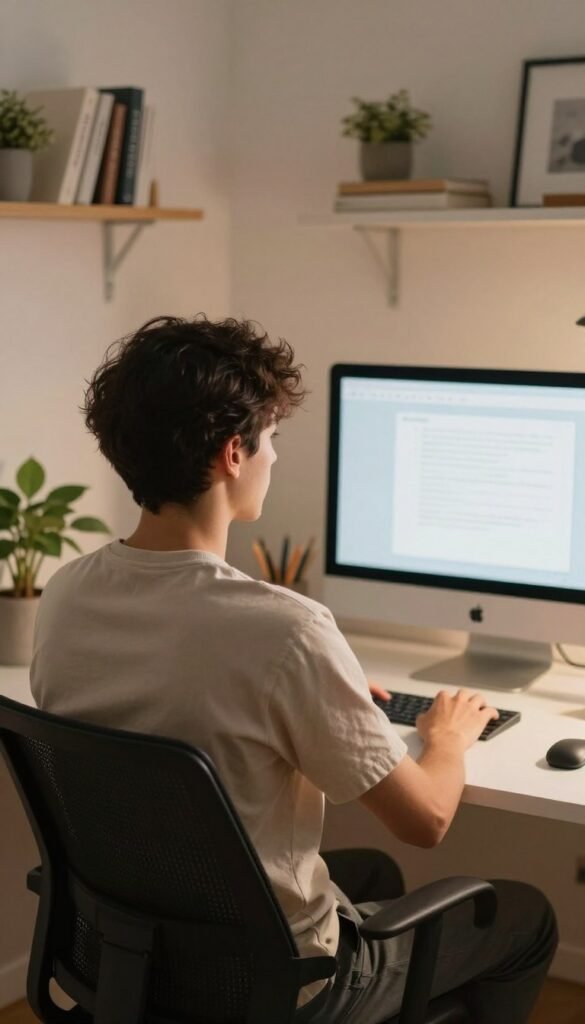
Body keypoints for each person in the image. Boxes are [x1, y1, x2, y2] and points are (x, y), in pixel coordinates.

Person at [30, 314, 557, 1024]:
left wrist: (321, 703)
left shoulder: (65, 594)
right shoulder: (284, 630)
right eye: (271, 437)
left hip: (130, 959)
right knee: (524, 918)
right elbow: (426, 818)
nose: (275, 456)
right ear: (232, 455)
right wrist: (448, 737)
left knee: (372, 876)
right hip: (269, 985)